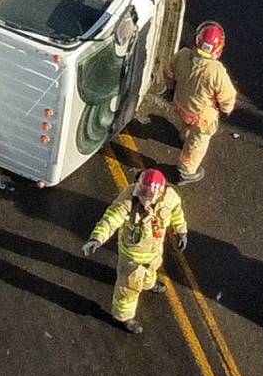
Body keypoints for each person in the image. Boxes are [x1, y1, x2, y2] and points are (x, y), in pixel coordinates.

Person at [82, 167, 188, 335]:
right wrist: (97, 238)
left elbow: (176, 213)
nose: (145, 199)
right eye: (142, 192)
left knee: (151, 270)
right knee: (128, 288)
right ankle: (122, 317)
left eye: (149, 195)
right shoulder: (128, 200)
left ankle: (148, 284)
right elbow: (111, 219)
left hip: (153, 253)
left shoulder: (170, 198)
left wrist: (181, 230)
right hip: (131, 258)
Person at [145, 22, 238, 183]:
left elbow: (168, 71)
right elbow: (228, 97)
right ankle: (186, 171)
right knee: (197, 144)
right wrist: (226, 109)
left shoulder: (183, 54)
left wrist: (170, 87)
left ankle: (184, 136)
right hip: (201, 117)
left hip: (180, 104)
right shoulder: (216, 71)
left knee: (185, 127)